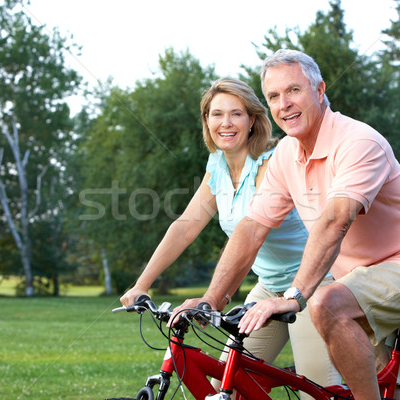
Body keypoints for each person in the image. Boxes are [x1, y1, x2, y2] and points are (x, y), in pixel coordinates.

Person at [170, 50, 400, 400]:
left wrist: (294, 295)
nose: (284, 104)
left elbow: (336, 220)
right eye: (274, 96)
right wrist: (212, 299)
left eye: (294, 91)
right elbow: (253, 227)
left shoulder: (357, 142)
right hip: (357, 279)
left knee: (324, 304)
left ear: (319, 90)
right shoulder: (286, 154)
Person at [120, 77, 340, 391]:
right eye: (216, 114)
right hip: (269, 286)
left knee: (316, 390)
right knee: (228, 382)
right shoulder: (217, 167)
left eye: (236, 113)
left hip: (314, 285)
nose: (226, 123)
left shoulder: (271, 164)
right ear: (206, 121)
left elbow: (252, 236)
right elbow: (186, 227)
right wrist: (142, 283)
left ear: (253, 120)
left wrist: (214, 299)